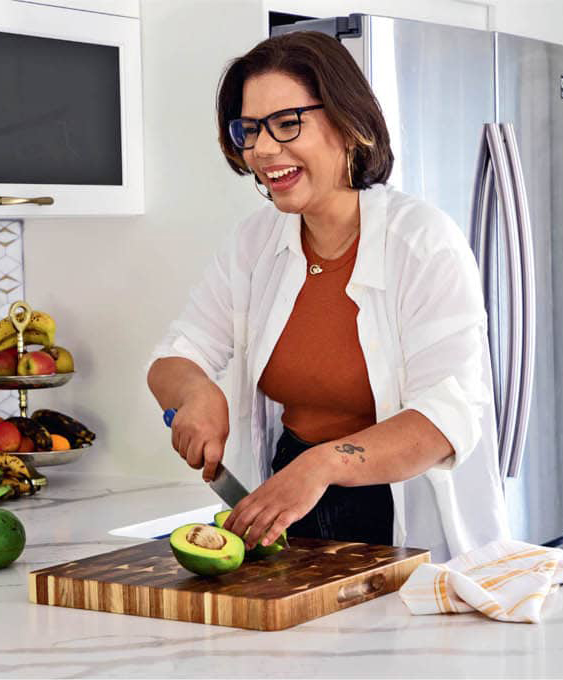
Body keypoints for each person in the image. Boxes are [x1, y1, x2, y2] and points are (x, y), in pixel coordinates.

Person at [147, 31, 509, 563]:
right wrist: (195, 391)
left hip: (399, 509)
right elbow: (174, 356)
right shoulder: (254, 242)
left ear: (348, 124)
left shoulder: (421, 242)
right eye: (250, 130)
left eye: (288, 123)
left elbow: (446, 418)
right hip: (289, 500)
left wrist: (324, 465)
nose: (264, 149)